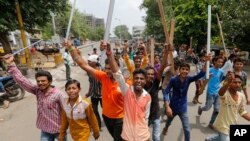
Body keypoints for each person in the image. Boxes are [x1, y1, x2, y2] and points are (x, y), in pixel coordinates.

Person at [64, 40, 124, 141]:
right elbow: (83, 64)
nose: (108, 71)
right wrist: (70, 48)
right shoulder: (103, 76)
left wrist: (109, 53)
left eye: (110, 68)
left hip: (120, 119)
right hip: (106, 117)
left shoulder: (123, 82)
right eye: (106, 68)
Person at [3, 54, 67, 141]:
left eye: (43, 81)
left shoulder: (59, 94)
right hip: (45, 130)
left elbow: (67, 113)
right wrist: (11, 64)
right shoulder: (37, 90)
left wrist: (63, 131)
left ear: (50, 81)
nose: (40, 83)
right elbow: (22, 80)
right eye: (38, 81)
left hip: (59, 130)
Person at [106, 44, 151, 141]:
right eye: (136, 78)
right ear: (132, 80)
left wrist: (146, 133)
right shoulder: (126, 91)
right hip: (127, 137)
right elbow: (118, 74)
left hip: (143, 137)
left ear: (145, 81)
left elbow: (146, 117)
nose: (139, 80)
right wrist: (109, 54)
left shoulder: (147, 96)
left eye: (141, 79)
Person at [162, 62, 207, 141]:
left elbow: (200, 75)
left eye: (187, 70)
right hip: (173, 108)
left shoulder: (188, 79)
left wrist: (206, 62)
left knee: (187, 129)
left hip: (183, 108)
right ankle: (166, 128)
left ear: (188, 71)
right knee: (168, 122)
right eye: (183, 69)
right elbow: (166, 92)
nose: (185, 71)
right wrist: (167, 106)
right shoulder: (173, 80)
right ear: (179, 70)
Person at [205, 73, 250, 141]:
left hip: (233, 123)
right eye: (234, 82)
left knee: (221, 138)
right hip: (223, 125)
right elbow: (220, 93)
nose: (237, 84)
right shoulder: (226, 93)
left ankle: (210, 140)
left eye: (239, 82)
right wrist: (228, 83)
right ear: (230, 83)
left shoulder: (241, 96)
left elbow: (242, 111)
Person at [144, 45, 171, 141]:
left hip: (156, 114)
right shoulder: (140, 87)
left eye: (152, 74)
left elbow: (162, 66)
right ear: (144, 75)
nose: (150, 76)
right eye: (148, 74)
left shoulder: (155, 83)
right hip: (144, 117)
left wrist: (166, 52)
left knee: (156, 137)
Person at [198, 57, 225, 129]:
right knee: (207, 107)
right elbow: (202, 78)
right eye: (219, 62)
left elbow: (220, 79)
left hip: (218, 93)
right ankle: (201, 109)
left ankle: (211, 123)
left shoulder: (221, 71)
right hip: (210, 92)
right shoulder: (209, 70)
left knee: (217, 110)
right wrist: (201, 86)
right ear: (214, 62)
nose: (220, 63)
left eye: (222, 62)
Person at [85, 54, 102, 130]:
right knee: (94, 111)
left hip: (102, 95)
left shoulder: (101, 70)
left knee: (105, 111)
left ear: (94, 62)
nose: (88, 62)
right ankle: (98, 126)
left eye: (89, 61)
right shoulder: (89, 71)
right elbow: (91, 83)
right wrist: (89, 93)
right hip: (94, 95)